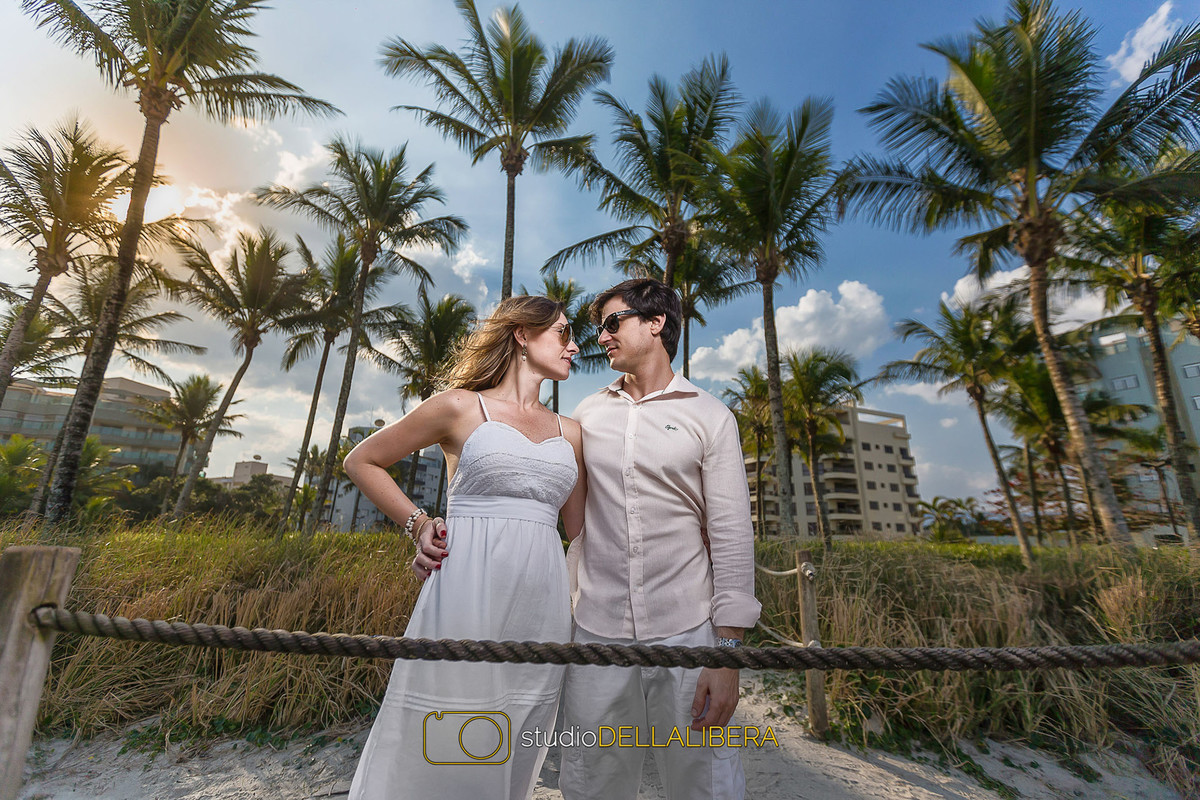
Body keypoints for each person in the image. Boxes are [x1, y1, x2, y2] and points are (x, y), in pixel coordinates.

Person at [342, 295, 586, 800]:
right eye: (563, 333)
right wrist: (417, 523)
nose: (575, 345)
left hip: (542, 604)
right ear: (522, 334)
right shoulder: (459, 406)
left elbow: (580, 529)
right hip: (466, 590)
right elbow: (362, 461)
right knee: (446, 725)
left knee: (516, 734)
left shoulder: (574, 433)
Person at [560, 278, 761, 799]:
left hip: (688, 629)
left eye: (611, 323)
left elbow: (733, 536)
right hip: (596, 628)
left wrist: (728, 653)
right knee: (591, 777)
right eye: (596, 327)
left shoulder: (710, 415)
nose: (601, 337)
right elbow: (568, 518)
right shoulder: (585, 415)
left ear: (656, 324)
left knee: (703, 778)